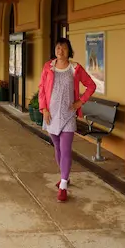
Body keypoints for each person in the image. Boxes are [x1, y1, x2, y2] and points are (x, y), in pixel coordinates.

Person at [38, 37, 96, 202]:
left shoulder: (75, 68)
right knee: (57, 147)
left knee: (65, 149)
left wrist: (80, 101)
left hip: (69, 114)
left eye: (63, 48)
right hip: (51, 115)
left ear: (69, 50)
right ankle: (65, 175)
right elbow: (41, 88)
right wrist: (44, 109)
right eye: (58, 48)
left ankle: (63, 186)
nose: (60, 51)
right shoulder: (48, 67)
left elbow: (91, 85)